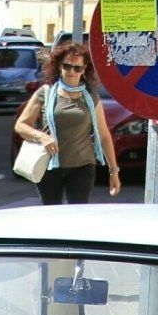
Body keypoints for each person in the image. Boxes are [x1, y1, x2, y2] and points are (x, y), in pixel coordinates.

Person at [12, 44, 121, 205]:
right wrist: (42, 137)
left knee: (77, 215)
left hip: (82, 166)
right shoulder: (46, 92)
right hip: (49, 166)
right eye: (67, 66)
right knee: (51, 213)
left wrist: (114, 171)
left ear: (84, 69)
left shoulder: (91, 97)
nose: (72, 72)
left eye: (77, 68)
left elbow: (104, 135)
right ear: (59, 66)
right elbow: (20, 125)